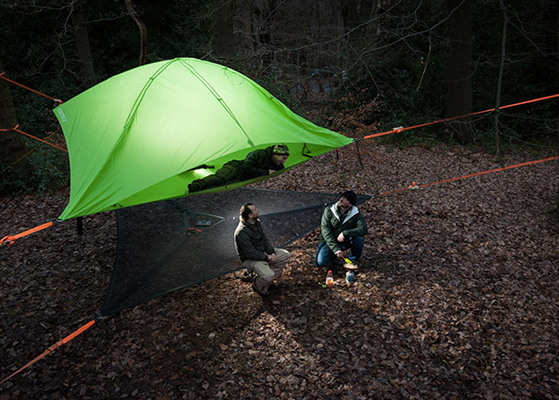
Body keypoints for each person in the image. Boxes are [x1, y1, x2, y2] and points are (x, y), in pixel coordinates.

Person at [234, 203, 291, 296]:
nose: (258, 210)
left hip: (262, 253)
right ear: (250, 215)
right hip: (250, 259)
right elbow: (250, 253)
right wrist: (267, 257)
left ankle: (264, 278)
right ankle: (258, 286)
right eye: (255, 209)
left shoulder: (256, 222)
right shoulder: (241, 232)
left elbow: (264, 238)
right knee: (268, 275)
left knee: (285, 255)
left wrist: (271, 252)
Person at [188, 144, 290, 193]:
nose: (284, 161)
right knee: (220, 178)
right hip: (235, 168)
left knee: (225, 186)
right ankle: (196, 185)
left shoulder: (278, 167)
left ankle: (200, 191)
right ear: (276, 154)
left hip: (242, 179)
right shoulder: (259, 153)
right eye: (283, 158)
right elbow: (247, 167)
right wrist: (266, 172)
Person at [315, 190, 368, 269]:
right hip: (329, 241)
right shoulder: (329, 210)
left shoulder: (355, 213)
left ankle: (352, 261)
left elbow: (364, 229)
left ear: (350, 204)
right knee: (320, 263)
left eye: (345, 199)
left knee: (360, 238)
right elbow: (325, 231)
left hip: (344, 241)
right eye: (342, 197)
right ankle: (333, 257)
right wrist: (335, 248)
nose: (341, 199)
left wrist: (345, 233)